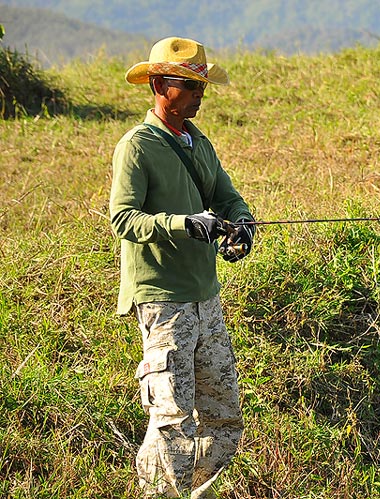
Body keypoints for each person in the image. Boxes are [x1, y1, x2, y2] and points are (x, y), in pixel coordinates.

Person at [109, 36, 255, 498]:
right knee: (172, 420)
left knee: (224, 418)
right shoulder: (137, 147)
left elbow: (226, 198)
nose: (199, 94)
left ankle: (193, 492)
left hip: (204, 296)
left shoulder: (199, 143)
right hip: (162, 300)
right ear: (157, 84)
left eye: (201, 85)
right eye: (188, 84)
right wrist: (184, 224)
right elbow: (123, 219)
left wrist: (241, 226)